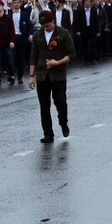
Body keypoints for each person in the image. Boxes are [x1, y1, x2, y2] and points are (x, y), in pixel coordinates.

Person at [29, 10, 76, 144]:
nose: (46, 28)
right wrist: (31, 76)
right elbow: (33, 56)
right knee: (44, 106)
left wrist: (58, 62)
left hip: (58, 74)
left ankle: (63, 122)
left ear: (53, 21)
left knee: (60, 101)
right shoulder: (37, 35)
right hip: (42, 75)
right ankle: (48, 134)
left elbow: (71, 54)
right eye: (43, 25)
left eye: (48, 25)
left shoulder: (63, 33)